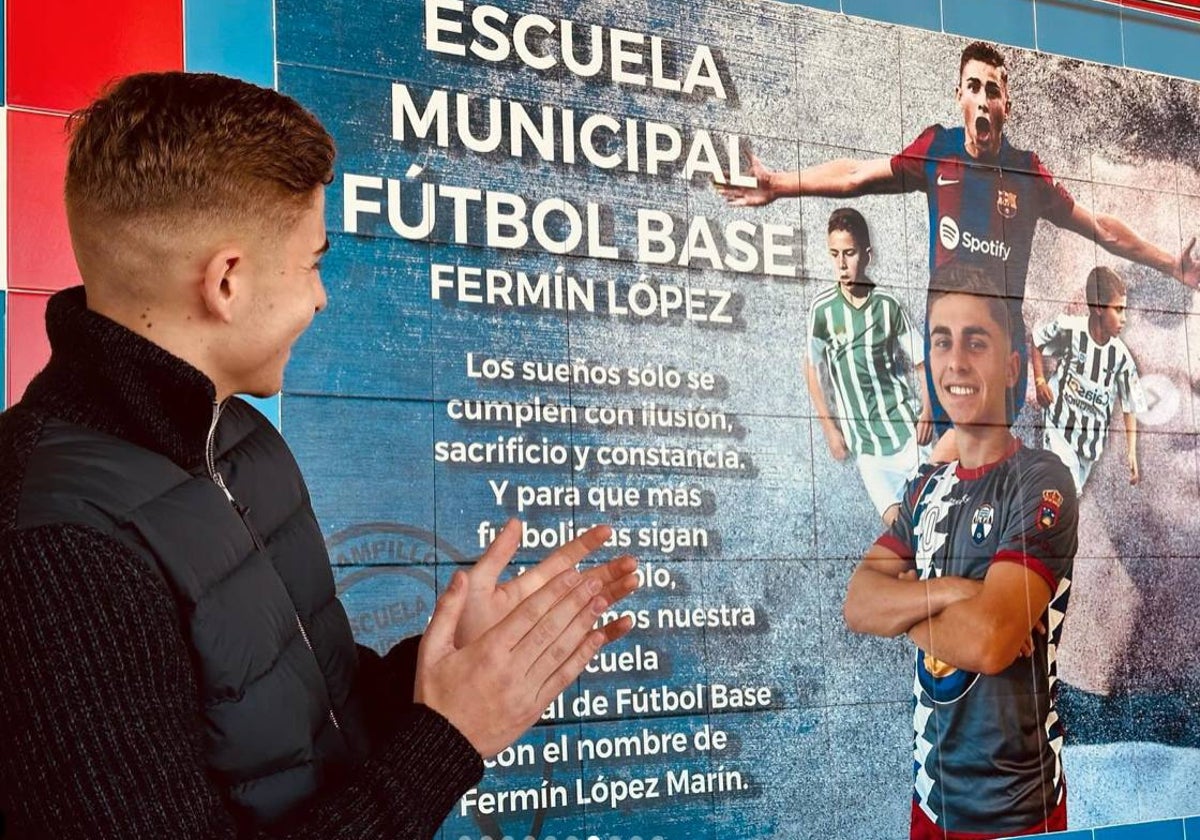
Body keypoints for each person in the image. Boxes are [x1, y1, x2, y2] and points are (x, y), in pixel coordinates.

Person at [0, 72, 640, 839]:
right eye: (311, 263)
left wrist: (444, 673)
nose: (321, 297)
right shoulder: (51, 545)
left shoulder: (239, 442)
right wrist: (450, 740)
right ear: (227, 281)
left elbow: (307, 724)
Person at [718, 40, 1197, 449]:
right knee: (951, 476)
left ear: (1006, 104)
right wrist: (782, 183)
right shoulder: (937, 151)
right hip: (947, 347)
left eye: (993, 90)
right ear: (959, 97)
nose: (983, 99)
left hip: (1001, 350)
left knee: (980, 469)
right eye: (974, 88)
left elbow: (1103, 229)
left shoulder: (1027, 173)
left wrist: (1172, 266)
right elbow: (856, 176)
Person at [842, 264, 1079, 839]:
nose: (956, 361)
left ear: (1012, 366)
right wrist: (954, 592)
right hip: (930, 800)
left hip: (1018, 812)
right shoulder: (926, 487)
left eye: (977, 340)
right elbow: (857, 604)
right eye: (941, 340)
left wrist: (902, 608)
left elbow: (988, 642)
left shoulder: (1042, 480)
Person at [806, 207, 931, 525]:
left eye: (849, 253)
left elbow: (921, 360)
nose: (841, 263)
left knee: (937, 522)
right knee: (902, 532)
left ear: (867, 254)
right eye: (834, 254)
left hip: (906, 434)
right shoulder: (822, 311)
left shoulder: (888, 305)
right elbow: (811, 368)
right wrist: (830, 428)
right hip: (868, 449)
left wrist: (928, 412)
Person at [1031, 266, 1145, 495]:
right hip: (1059, 428)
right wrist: (1040, 381)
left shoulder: (1121, 356)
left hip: (1089, 448)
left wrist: (1132, 451)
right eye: (1118, 310)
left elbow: (1129, 403)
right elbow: (1038, 341)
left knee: (1068, 500)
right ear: (1098, 307)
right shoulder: (1070, 329)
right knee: (1061, 494)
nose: (1124, 319)